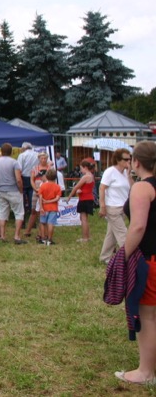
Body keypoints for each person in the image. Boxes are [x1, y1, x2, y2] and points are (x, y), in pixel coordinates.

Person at [116, 141, 156, 385]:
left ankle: (146, 372)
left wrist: (124, 255)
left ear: (136, 161)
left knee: (147, 315)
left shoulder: (143, 187)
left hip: (150, 261)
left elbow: (138, 226)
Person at [0, 143, 26, 244]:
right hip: (13, 190)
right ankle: (17, 236)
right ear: (11, 151)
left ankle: (3, 236)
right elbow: (18, 179)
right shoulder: (14, 162)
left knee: (3, 213)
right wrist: (21, 189)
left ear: (1, 151)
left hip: (1, 190)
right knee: (19, 213)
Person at [99, 148, 133, 264]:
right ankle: (129, 259)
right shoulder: (110, 171)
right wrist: (102, 205)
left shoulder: (125, 173)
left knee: (112, 234)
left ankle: (105, 257)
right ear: (118, 160)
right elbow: (102, 188)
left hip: (123, 207)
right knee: (123, 233)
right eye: (126, 159)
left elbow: (133, 188)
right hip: (112, 207)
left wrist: (129, 175)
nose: (129, 161)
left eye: (130, 159)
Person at [24, 151, 53, 240]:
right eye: (42, 158)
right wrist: (35, 189)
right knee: (33, 211)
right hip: (36, 190)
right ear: (39, 159)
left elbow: (52, 179)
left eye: (45, 158)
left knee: (44, 211)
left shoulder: (49, 168)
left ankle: (43, 233)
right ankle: (28, 230)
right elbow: (32, 180)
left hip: (46, 191)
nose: (43, 160)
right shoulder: (35, 168)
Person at [66, 159, 96, 242]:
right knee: (84, 218)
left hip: (84, 199)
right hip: (89, 197)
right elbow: (86, 188)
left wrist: (69, 196)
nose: (81, 170)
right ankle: (87, 236)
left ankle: (85, 237)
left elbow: (76, 187)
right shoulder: (91, 176)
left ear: (85, 167)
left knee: (83, 219)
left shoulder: (85, 177)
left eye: (81, 168)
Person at [38, 169, 62, 246]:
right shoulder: (57, 187)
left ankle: (43, 238)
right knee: (51, 223)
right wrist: (50, 201)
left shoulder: (43, 186)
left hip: (44, 207)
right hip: (53, 207)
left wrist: (41, 207)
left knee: (42, 223)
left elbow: (40, 197)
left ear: (47, 176)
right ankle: (49, 239)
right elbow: (57, 198)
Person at [17, 142, 39, 220]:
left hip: (24, 178)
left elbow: (19, 168)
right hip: (34, 178)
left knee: (22, 199)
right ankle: (32, 219)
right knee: (32, 200)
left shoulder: (22, 155)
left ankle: (22, 220)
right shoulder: (37, 155)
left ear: (24, 148)